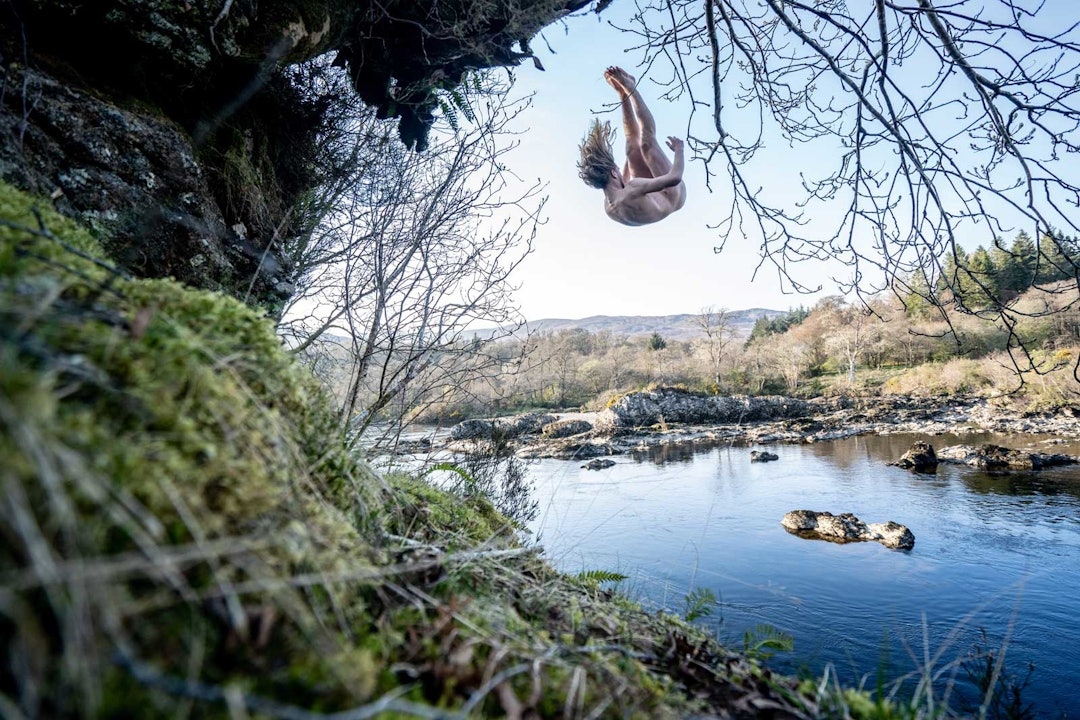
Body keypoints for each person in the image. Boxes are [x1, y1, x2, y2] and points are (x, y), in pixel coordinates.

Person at [577, 66, 686, 226]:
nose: (621, 173)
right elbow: (675, 178)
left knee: (632, 147)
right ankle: (631, 88)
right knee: (646, 143)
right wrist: (679, 150)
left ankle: (622, 94)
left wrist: (631, 154)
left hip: (654, 196)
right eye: (618, 171)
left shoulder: (609, 207)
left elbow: (625, 179)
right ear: (614, 173)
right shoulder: (633, 188)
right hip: (673, 194)